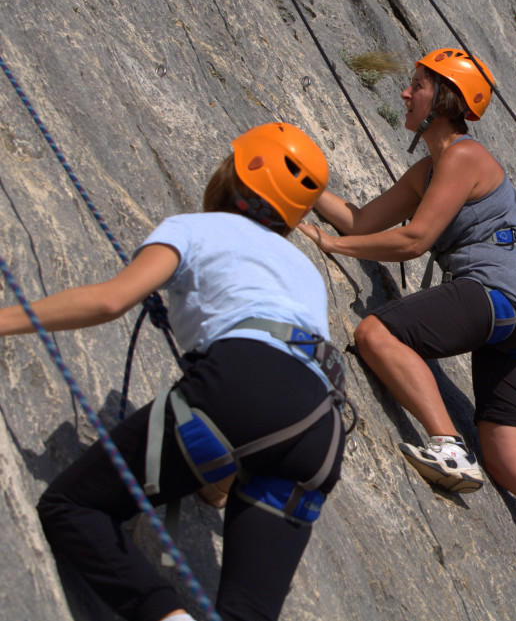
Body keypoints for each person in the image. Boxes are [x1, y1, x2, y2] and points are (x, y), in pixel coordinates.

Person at [298, 48, 516, 620]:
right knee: (509, 459)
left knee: (378, 332)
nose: (405, 94)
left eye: (416, 87)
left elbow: (412, 240)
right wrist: (304, 183)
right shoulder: (431, 168)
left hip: (498, 293)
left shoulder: (463, 155)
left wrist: (334, 249)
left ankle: (448, 447)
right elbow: (363, 220)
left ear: (446, 100)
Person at [1, 123, 345, 621]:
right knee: (247, 611)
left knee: (75, 508)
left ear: (238, 170)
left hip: (247, 384)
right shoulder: (304, 272)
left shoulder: (195, 227)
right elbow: (268, 414)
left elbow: (109, 299)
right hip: (322, 429)